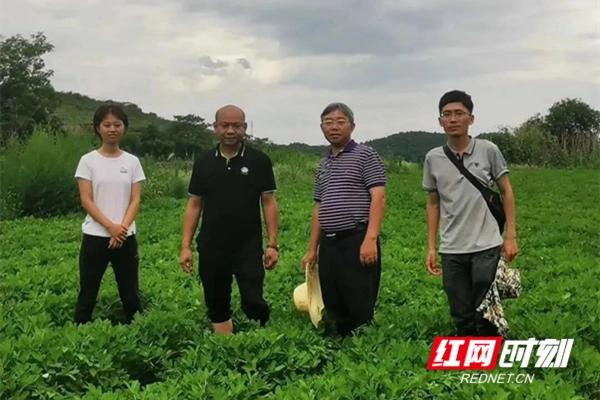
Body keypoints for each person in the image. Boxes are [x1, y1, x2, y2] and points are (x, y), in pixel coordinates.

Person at [422, 90, 519, 336]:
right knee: (458, 303)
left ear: (471, 119)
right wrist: (432, 247)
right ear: (440, 121)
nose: (453, 119)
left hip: (486, 243)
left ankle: (487, 345)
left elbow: (506, 192)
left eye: (459, 114)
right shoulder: (433, 158)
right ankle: (466, 343)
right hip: (452, 246)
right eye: (447, 114)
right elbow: (433, 203)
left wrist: (510, 237)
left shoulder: (488, 150)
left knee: (485, 301)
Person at [179, 104, 279, 335]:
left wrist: (272, 244)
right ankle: (226, 350)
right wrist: (185, 246)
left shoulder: (259, 161)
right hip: (212, 245)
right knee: (217, 303)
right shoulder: (203, 162)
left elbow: (268, 202)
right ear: (215, 128)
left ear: (245, 128)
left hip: (248, 245)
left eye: (237, 125)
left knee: (252, 301)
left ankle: (262, 329)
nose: (231, 130)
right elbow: (194, 204)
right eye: (225, 125)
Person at [301, 102, 386, 336]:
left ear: (352, 126)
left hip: (356, 237)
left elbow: (378, 197)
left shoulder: (365, 155)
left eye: (340, 122)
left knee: (358, 297)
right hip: (329, 243)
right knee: (333, 296)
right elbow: (319, 207)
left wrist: (370, 239)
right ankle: (338, 346)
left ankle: (362, 350)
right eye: (328, 122)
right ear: (321, 128)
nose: (334, 127)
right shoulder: (324, 162)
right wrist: (312, 249)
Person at [73, 104, 146, 325]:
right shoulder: (88, 161)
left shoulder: (132, 162)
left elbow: (135, 199)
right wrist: (110, 227)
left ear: (124, 128)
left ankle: (137, 329)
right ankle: (80, 328)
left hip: (125, 236)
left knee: (130, 290)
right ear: (98, 128)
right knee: (88, 288)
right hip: (95, 236)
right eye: (107, 125)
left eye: (117, 124)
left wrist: (121, 228)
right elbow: (86, 200)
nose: (112, 129)